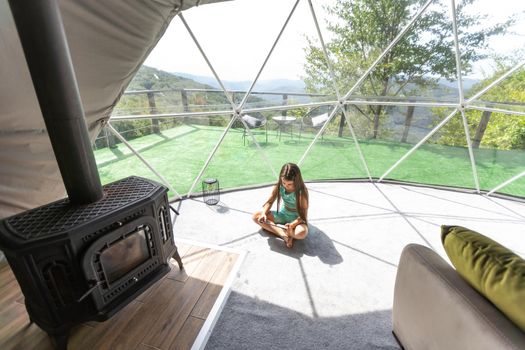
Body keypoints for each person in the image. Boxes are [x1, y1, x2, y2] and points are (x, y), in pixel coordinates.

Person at [252, 163, 309, 248]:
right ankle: (283, 234)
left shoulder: (301, 192)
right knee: (256, 216)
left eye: (290, 184)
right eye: (284, 182)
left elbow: (303, 215)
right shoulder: (279, 185)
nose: (286, 186)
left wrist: (293, 224)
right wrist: (264, 213)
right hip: (283, 214)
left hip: (297, 219)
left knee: (301, 233)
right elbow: (269, 202)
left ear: (296, 181)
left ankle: (285, 232)